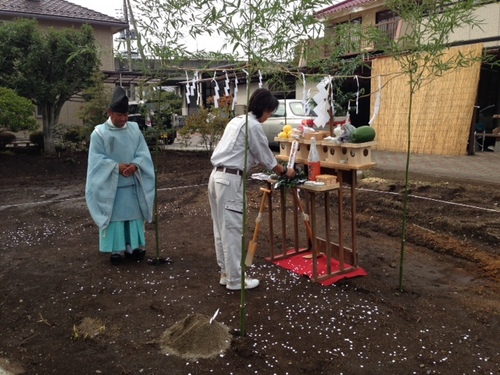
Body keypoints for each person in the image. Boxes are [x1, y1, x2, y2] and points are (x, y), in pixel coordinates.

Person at [208, 88, 296, 290]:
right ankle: (235, 280)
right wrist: (284, 171)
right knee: (232, 229)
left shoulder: (236, 120)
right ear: (264, 109)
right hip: (229, 180)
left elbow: (248, 152)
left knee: (221, 228)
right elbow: (266, 157)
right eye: (270, 112)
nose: (270, 116)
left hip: (216, 177)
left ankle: (226, 273)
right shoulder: (253, 125)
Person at [85, 87, 156, 265]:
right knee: (115, 218)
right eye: (119, 115)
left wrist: (136, 165)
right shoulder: (99, 133)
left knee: (133, 217)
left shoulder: (134, 129)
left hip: (132, 182)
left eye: (126, 115)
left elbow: (143, 153)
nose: (124, 119)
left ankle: (133, 247)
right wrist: (116, 166)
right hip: (111, 185)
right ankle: (115, 250)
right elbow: (96, 161)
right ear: (109, 113)